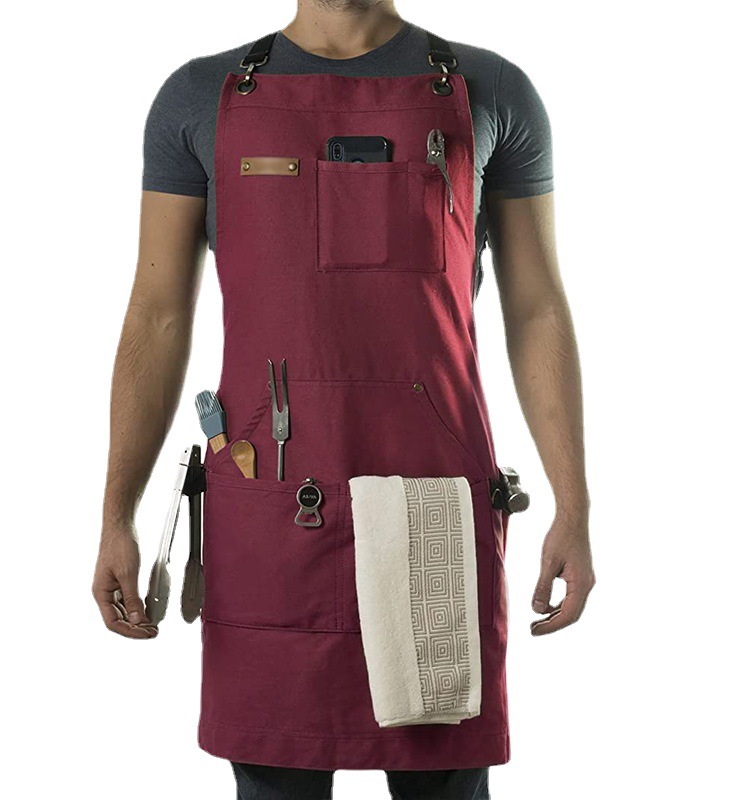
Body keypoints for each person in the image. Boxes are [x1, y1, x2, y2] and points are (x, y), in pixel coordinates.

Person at [92, 2, 596, 798]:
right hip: (270, 519)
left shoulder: (491, 90)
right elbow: (157, 317)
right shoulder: (198, 98)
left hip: (434, 513)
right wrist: (116, 514)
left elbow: (538, 309)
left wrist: (575, 504)